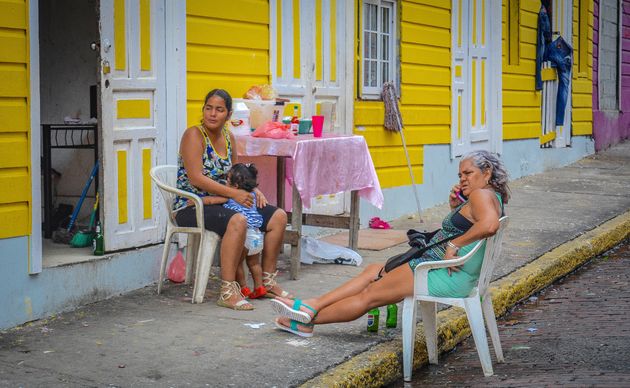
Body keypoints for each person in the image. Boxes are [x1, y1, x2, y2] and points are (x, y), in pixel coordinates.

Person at [271, 150, 509, 337]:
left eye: (468, 173)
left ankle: (307, 322)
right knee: (373, 271)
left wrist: (454, 244)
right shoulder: (490, 196)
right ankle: (313, 304)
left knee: (371, 294)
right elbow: (471, 223)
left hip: (442, 273)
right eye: (460, 175)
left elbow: (489, 226)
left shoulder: (480, 195)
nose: (463, 179)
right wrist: (455, 208)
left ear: (486, 172)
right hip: (450, 270)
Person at [174, 89, 291, 311]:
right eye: (208, 108)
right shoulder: (194, 135)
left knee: (278, 216)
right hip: (193, 205)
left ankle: (266, 281)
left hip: (226, 201)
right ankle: (228, 291)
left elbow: (237, 172)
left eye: (219, 110)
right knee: (238, 220)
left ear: (228, 115)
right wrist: (234, 194)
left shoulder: (229, 138)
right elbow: (196, 178)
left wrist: (252, 189)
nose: (212, 114)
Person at [222, 163, 268, 299]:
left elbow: (219, 203)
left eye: (227, 179)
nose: (225, 181)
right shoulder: (252, 196)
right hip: (257, 235)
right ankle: (259, 287)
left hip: (245, 235)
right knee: (254, 263)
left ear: (235, 186)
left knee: (236, 263)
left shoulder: (232, 198)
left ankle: (243, 288)